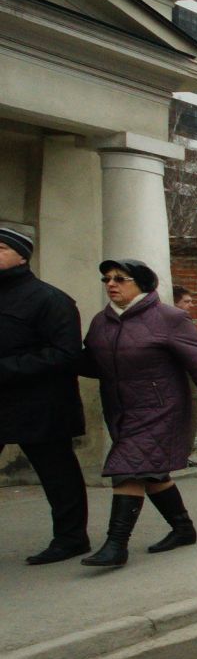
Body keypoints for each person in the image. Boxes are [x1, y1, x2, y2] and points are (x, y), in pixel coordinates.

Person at [79, 259, 197, 566]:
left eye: (120, 279)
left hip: (162, 408)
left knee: (127, 468)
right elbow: (91, 364)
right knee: (150, 472)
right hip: (121, 409)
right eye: (107, 279)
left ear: (142, 284)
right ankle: (183, 528)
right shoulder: (101, 321)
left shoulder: (170, 318)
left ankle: (116, 545)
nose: (111, 284)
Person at [0, 223, 90, 563]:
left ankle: (71, 538)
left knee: (58, 474)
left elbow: (67, 354)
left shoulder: (50, 299)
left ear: (22, 256)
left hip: (40, 404)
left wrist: (6, 368)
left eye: (0, 249)